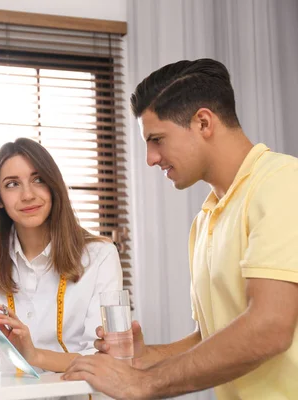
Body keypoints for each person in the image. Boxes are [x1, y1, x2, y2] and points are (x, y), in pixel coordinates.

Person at [62, 58, 298, 399]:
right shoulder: (206, 219)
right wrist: (146, 359)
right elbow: (213, 336)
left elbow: (269, 328)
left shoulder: (281, 182)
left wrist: (143, 384)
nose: (150, 158)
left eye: (157, 139)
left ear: (203, 122)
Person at [0, 137, 123, 374]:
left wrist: (36, 356)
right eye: (12, 184)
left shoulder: (100, 256)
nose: (28, 195)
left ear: (53, 186)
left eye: (38, 180)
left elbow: (105, 359)